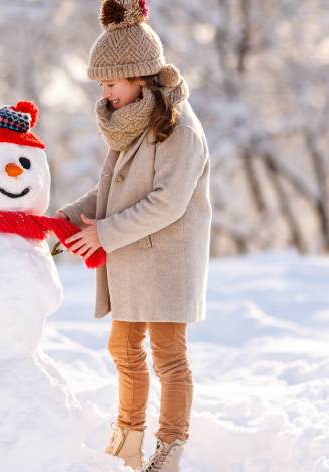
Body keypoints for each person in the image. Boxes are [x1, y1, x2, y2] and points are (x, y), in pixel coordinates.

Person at [57, 1, 212, 470]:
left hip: (165, 261)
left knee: (168, 355)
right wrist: (62, 222)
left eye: (110, 83)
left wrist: (104, 234)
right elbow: (113, 189)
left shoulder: (179, 130)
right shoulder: (133, 125)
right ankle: (128, 436)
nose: (104, 95)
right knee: (123, 347)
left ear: (139, 77)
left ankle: (170, 447)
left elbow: (167, 201)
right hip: (133, 257)